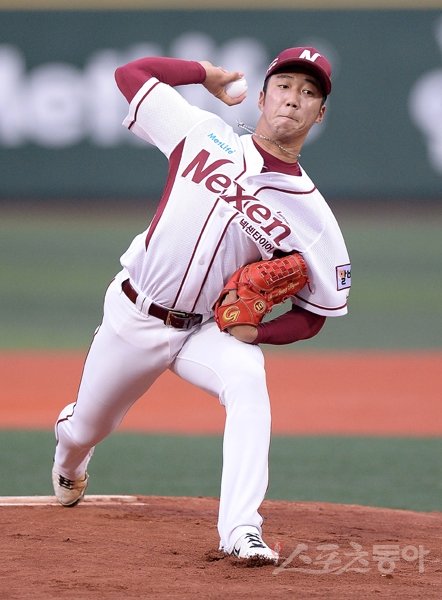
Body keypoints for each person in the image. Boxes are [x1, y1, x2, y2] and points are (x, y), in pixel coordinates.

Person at [51, 46, 351, 562]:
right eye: (284, 86)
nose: (292, 99)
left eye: (308, 93)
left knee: (248, 381)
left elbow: (315, 315)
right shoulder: (202, 134)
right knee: (86, 429)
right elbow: (130, 73)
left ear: (319, 114)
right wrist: (203, 74)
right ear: (262, 97)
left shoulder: (313, 217)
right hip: (136, 312)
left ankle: (241, 530)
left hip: (206, 330)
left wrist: (259, 333)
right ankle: (70, 458)